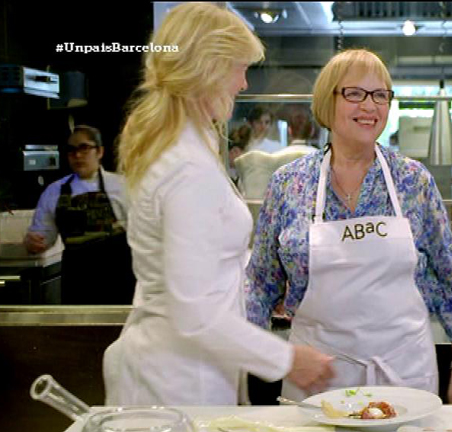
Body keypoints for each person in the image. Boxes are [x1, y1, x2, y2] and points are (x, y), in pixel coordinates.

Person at [103, 2, 334, 406]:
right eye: (239, 68)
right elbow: (193, 310)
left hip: (183, 369)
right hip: (174, 381)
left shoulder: (184, 146)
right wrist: (287, 359)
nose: (243, 83)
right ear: (208, 67)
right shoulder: (186, 166)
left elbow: (204, 261)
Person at [245, 48, 452, 404]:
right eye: (355, 94)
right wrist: (251, 358)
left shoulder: (412, 180)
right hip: (317, 375)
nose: (370, 106)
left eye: (380, 95)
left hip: (402, 374)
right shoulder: (289, 183)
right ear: (327, 101)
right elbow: (260, 283)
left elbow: (450, 276)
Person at [24, 125, 134, 305]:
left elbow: (143, 234)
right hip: (77, 281)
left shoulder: (123, 187)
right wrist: (33, 242)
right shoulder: (54, 192)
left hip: (119, 280)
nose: (77, 155)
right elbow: (42, 236)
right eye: (71, 150)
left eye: (84, 148)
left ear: (99, 151)